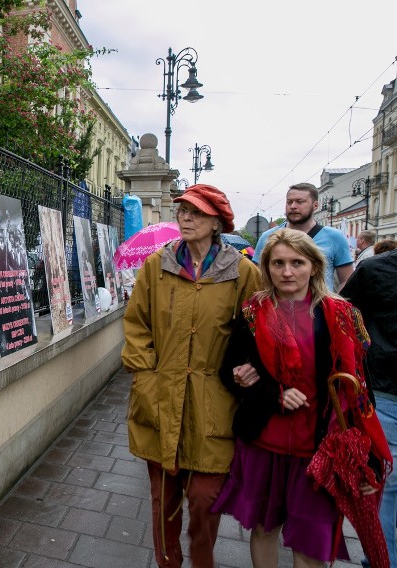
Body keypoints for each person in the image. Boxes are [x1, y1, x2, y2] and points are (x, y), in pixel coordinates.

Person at [213, 228, 378, 567]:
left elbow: (361, 390)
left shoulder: (342, 315)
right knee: (263, 529)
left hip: (318, 451)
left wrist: (370, 460)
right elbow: (229, 368)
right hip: (263, 444)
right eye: (278, 263)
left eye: (297, 263)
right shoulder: (252, 313)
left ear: (314, 267)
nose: (287, 272)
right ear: (267, 268)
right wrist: (267, 389)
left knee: (310, 543)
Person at [123, 184, 260, 568]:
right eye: (182, 210)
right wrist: (146, 378)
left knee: (204, 499)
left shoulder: (243, 273)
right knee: (163, 499)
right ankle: (168, 563)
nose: (185, 217)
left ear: (216, 222)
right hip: (161, 398)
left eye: (196, 212)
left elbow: (261, 332)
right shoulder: (157, 266)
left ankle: (202, 562)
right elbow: (137, 325)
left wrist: (254, 368)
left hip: (214, 404)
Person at [342, 245, 397, 567]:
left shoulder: (375, 268)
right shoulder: (375, 269)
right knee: (386, 486)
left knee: (387, 489)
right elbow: (345, 316)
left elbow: (345, 314)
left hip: (382, 387)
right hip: (384, 392)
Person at [252, 183, 353, 291]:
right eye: (289, 202)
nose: (293, 206)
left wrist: (336, 305)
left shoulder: (335, 237)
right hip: (277, 306)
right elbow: (258, 279)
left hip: (321, 305)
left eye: (300, 202)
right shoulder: (268, 237)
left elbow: (347, 280)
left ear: (315, 205)